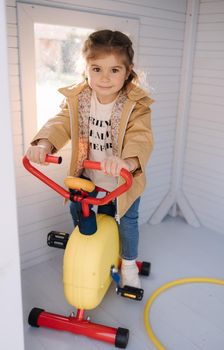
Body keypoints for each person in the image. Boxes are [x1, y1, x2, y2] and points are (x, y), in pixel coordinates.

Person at [26, 29, 154, 288]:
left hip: (121, 180)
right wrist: (44, 143)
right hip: (90, 175)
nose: (104, 78)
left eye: (114, 70)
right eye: (96, 69)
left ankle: (129, 265)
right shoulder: (79, 98)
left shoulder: (135, 104)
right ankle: (89, 245)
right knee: (78, 206)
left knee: (126, 221)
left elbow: (140, 137)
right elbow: (61, 122)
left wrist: (126, 163)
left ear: (128, 71)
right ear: (85, 69)